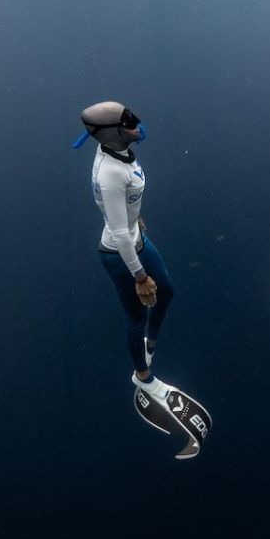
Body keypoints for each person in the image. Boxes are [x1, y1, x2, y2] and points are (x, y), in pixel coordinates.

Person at [73, 101, 176, 403]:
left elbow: (119, 209)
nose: (136, 124)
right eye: (128, 122)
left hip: (136, 238)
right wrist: (140, 277)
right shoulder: (111, 174)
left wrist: (134, 217)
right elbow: (117, 233)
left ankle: (149, 347)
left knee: (168, 291)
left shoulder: (114, 151)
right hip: (120, 254)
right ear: (111, 135)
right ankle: (143, 378)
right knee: (135, 319)